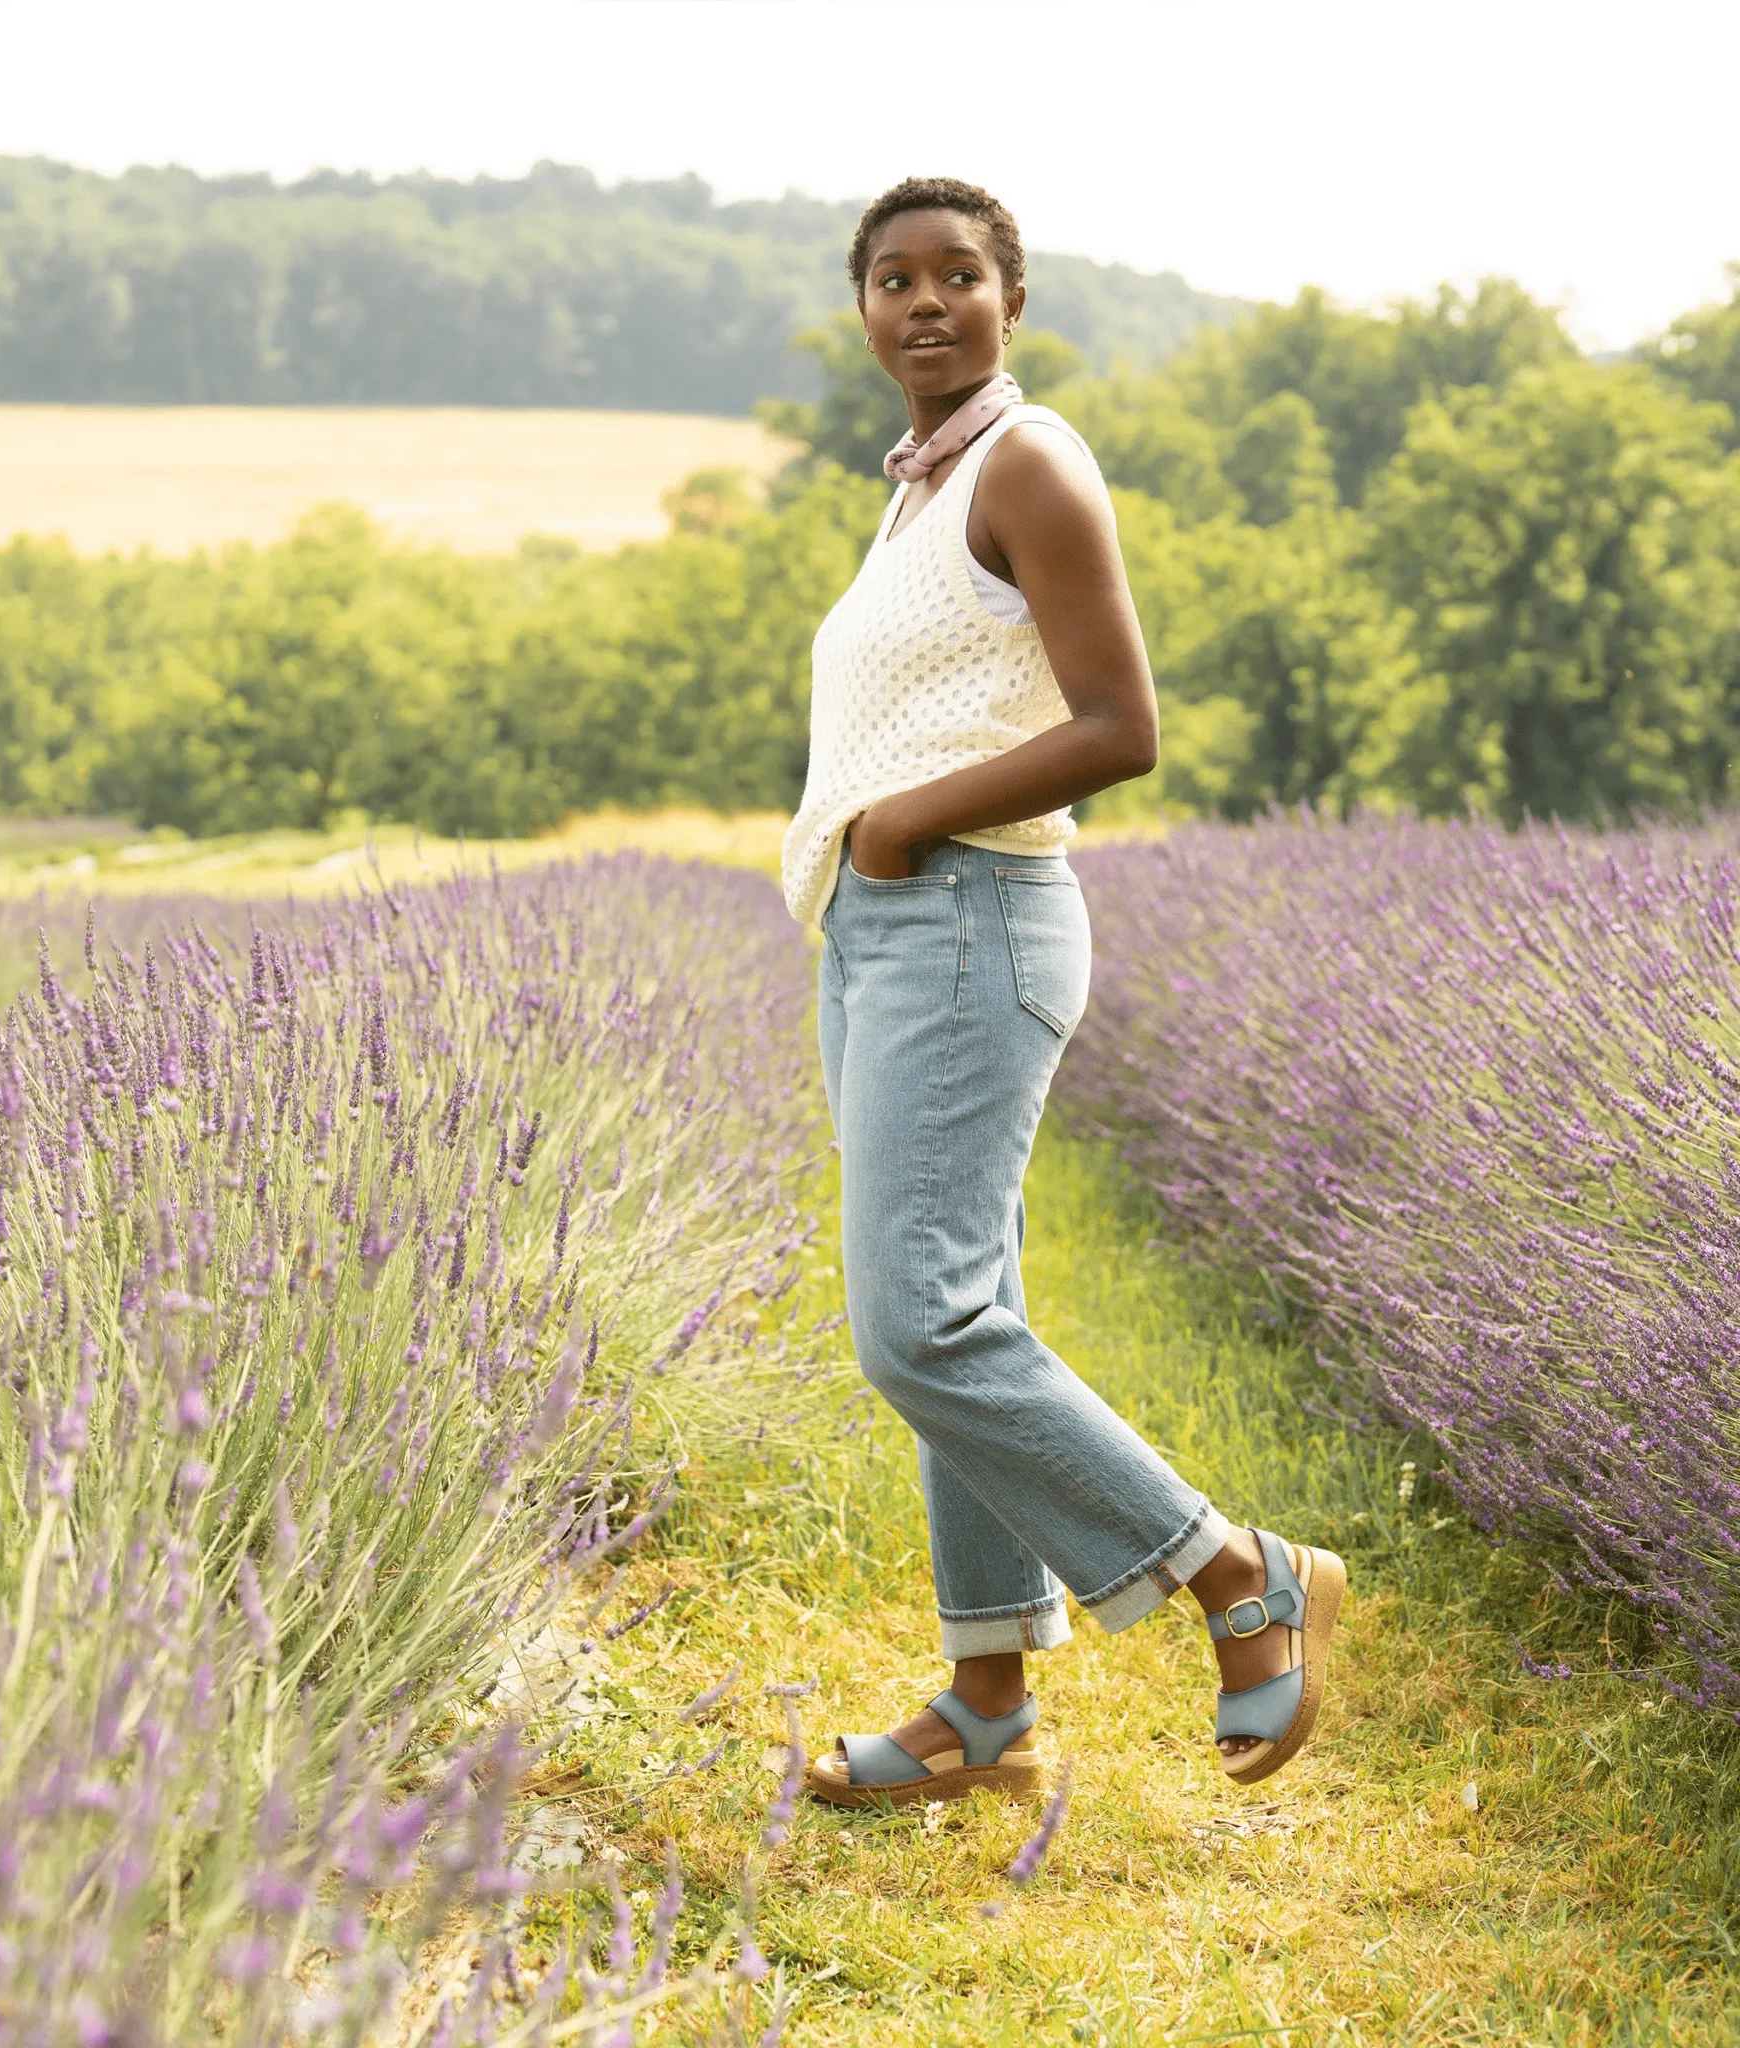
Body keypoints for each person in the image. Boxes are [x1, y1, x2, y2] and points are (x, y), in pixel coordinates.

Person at [783, 176, 1345, 1809]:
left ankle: (1242, 1579)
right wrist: (866, 854)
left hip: (967, 916)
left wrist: (902, 820)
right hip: (887, 936)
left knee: (923, 1329)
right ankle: (984, 1700)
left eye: (960, 274)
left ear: (1010, 301)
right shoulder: (915, 489)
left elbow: (1122, 724)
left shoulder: (1031, 460)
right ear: (866, 311)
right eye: (893, 279)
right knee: (968, 1311)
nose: (926, 302)